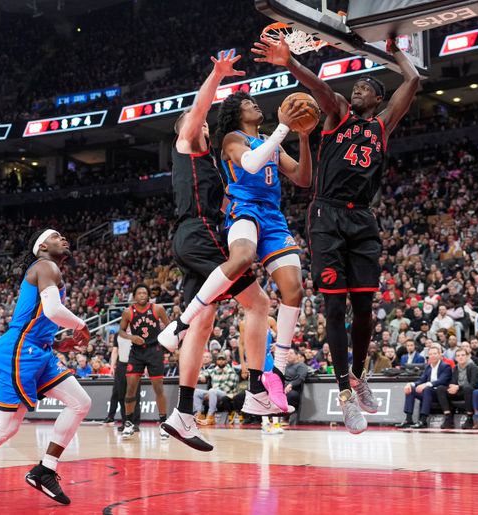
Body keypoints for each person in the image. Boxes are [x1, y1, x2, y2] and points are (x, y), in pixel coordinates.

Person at [253, 34, 419, 434]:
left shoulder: (381, 126)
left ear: (376, 100)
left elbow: (412, 81)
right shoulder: (337, 114)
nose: (356, 89)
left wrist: (395, 49)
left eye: (364, 88)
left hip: (362, 219)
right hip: (326, 215)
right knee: (333, 308)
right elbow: (321, 88)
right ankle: (345, 393)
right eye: (355, 87)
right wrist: (290, 62)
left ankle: (359, 377)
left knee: (363, 310)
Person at [158, 53, 289, 452]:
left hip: (191, 238)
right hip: (200, 234)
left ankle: (181, 413)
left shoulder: (210, 161)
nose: (197, 122)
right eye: (192, 119)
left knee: (205, 321)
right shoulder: (186, 143)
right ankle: (255, 389)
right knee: (259, 302)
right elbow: (198, 112)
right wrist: (216, 75)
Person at [0, 229, 92, 509]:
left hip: (38, 350)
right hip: (19, 350)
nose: (65, 239)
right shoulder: (46, 265)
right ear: (42, 246)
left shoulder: (48, 269)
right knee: (7, 426)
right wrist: (82, 326)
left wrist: (58, 345)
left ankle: (45, 470)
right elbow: (53, 311)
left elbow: (38, 318)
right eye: (57, 236)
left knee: (80, 402)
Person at [117, 284, 170, 439]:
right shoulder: (128, 312)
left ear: (148, 296)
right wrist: (131, 337)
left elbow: (169, 326)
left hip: (154, 350)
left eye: (144, 293)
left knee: (158, 388)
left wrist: (171, 345)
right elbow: (120, 330)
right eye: (139, 293)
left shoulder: (157, 309)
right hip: (136, 351)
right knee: (131, 388)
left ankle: (163, 423)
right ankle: (128, 423)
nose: (142, 295)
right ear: (134, 296)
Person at [396, 346, 451, 429]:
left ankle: (423, 420)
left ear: (440, 355)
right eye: (431, 354)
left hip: (440, 393)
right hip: (428, 393)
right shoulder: (428, 367)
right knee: (410, 389)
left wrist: (426, 384)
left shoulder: (446, 366)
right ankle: (408, 419)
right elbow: (421, 380)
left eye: (435, 354)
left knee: (427, 389)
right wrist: (411, 384)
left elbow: (441, 381)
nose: (433, 356)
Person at [435, 348, 478, 429]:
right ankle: (448, 417)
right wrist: (452, 387)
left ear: (468, 356)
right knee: (440, 389)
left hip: (469, 392)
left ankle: (469, 418)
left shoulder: (473, 367)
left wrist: (458, 387)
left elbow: (473, 384)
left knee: (467, 389)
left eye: (463, 355)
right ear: (455, 358)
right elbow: (453, 382)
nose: (460, 357)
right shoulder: (455, 368)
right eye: (458, 356)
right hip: (458, 391)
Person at [104, 334, 133, 428]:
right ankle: (113, 417)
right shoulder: (118, 335)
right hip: (120, 366)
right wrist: (112, 366)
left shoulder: (134, 334)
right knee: (116, 393)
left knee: (124, 395)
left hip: (131, 365)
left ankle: (127, 421)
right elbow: (115, 350)